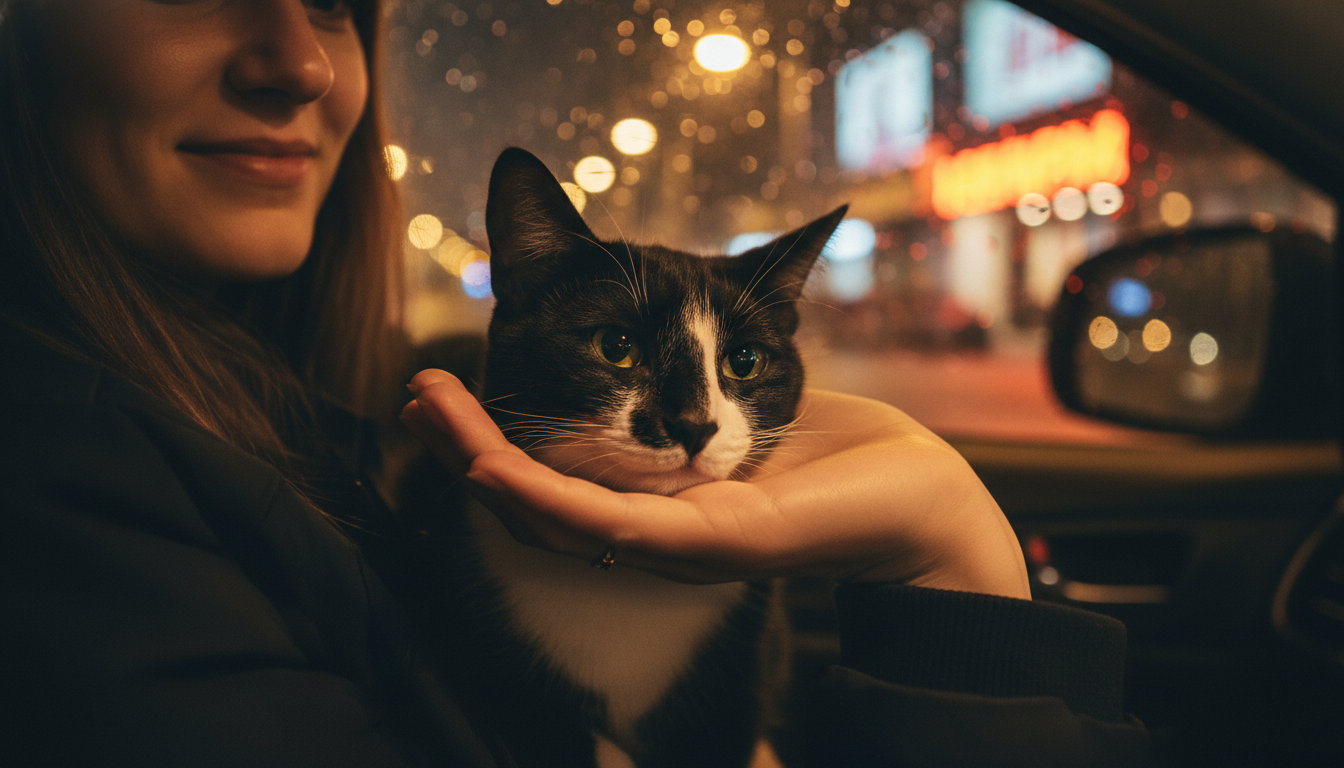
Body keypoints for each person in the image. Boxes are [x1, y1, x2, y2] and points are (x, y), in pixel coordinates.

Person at [0, 1, 1152, 766]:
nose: (302, 61)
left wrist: (942, 525)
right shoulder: (63, 491)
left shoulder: (267, 420)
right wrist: (952, 562)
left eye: (338, 6)